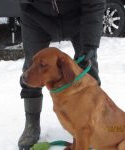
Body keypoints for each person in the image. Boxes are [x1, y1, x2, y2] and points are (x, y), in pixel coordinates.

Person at [18, 0, 106, 149]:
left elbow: (95, 4)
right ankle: (32, 124)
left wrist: (90, 44)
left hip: (78, 15)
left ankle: (91, 122)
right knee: (31, 70)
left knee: (88, 69)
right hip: (37, 15)